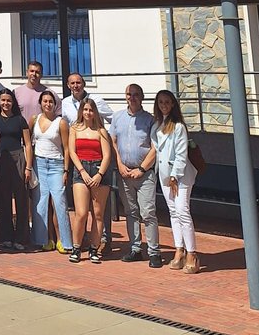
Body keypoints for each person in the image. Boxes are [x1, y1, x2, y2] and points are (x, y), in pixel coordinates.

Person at [111, 84, 161, 267]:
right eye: (129, 94)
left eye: (136, 95)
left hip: (144, 174)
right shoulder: (118, 117)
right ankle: (135, 249)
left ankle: (154, 252)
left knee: (148, 212)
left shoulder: (150, 120)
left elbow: (155, 147)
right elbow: (113, 142)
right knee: (131, 212)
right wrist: (119, 164)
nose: (132, 97)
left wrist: (141, 168)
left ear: (142, 97)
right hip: (125, 172)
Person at [152, 90, 199, 274]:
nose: (164, 105)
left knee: (182, 211)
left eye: (167, 102)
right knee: (173, 212)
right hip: (164, 174)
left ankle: (192, 253)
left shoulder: (178, 126)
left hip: (179, 176)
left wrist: (174, 176)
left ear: (173, 104)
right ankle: (179, 248)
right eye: (161, 102)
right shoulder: (158, 125)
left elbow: (181, 154)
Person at [68, 97, 112, 263]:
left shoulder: (101, 131)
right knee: (81, 213)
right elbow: (72, 152)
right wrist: (82, 172)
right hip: (81, 171)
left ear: (95, 112)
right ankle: (76, 247)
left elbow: (107, 155)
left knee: (98, 214)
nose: (88, 113)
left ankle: (94, 248)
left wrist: (99, 174)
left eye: (91, 110)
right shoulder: (74, 129)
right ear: (81, 111)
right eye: (85, 109)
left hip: (99, 170)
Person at [30, 89, 73, 252]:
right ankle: (43, 240)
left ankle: (64, 241)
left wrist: (66, 170)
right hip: (38, 164)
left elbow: (67, 148)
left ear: (55, 104)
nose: (47, 104)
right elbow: (28, 141)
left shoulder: (61, 122)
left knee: (59, 203)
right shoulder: (34, 119)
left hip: (56, 165)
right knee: (40, 204)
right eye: (45, 101)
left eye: (51, 102)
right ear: (40, 103)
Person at [0, 89, 33, 250]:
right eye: (3, 100)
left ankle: (21, 238)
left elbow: (27, 144)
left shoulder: (20, 120)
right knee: (3, 199)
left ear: (13, 102)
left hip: (18, 159)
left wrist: (28, 166)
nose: (6, 103)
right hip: (0, 159)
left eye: (9, 100)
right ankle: (6, 237)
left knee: (21, 199)